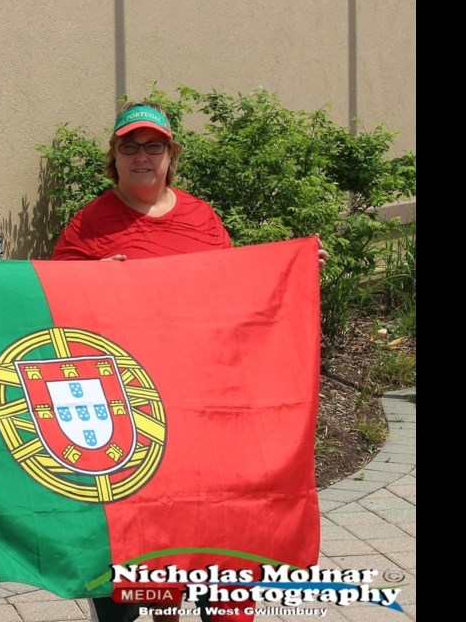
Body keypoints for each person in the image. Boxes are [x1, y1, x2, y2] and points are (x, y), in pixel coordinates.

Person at [52, 101, 327, 622]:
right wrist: (93, 282)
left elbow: (232, 288)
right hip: (135, 408)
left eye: (153, 145)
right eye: (129, 145)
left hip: (205, 401)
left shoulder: (200, 216)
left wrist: (291, 269)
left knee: (215, 529)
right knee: (143, 537)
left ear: (171, 154)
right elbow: (55, 306)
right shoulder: (88, 225)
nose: (142, 156)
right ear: (114, 156)